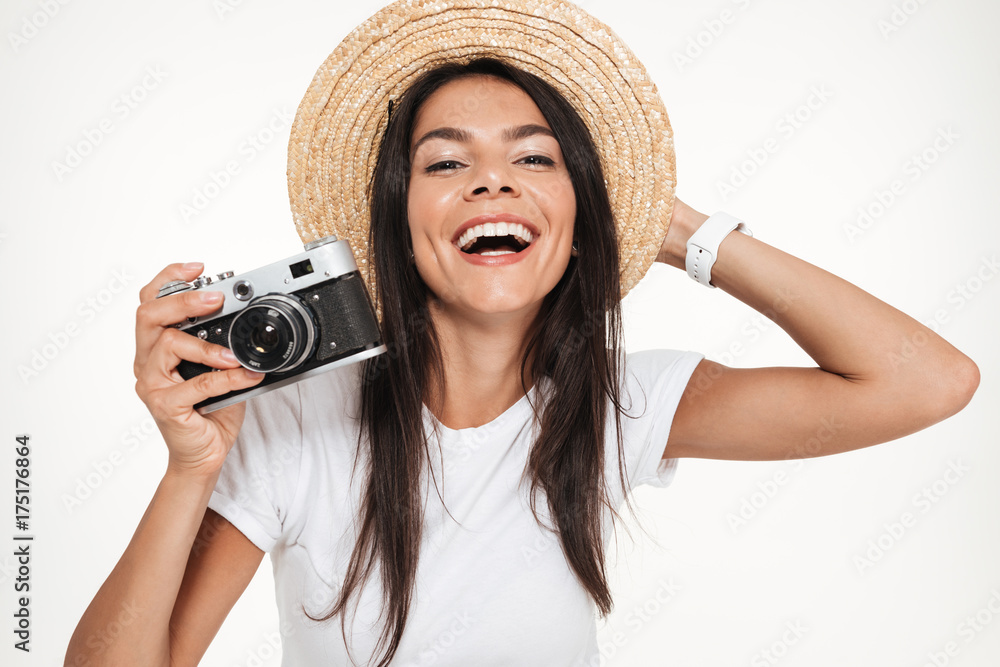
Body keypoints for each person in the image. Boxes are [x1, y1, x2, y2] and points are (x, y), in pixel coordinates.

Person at [65, 1, 979, 666]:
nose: (492, 181)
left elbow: (927, 382)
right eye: (448, 160)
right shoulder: (296, 422)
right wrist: (190, 464)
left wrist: (688, 235)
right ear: (398, 221)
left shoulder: (623, 404)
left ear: (577, 219)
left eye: (534, 157)